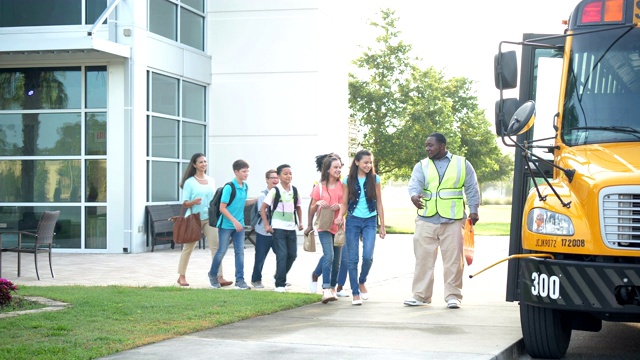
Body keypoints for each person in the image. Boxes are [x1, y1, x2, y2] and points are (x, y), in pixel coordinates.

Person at [405, 132, 480, 309]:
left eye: (430, 145)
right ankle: (421, 296)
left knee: (453, 260)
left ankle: (453, 296)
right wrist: (414, 196)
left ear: (442, 146)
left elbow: (472, 187)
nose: (427, 148)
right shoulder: (421, 165)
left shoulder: (462, 164)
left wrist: (474, 210)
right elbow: (414, 183)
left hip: (453, 221)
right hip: (426, 219)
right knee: (423, 259)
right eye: (426, 145)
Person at [336, 150, 386, 306]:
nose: (368, 165)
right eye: (365, 162)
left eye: (370, 162)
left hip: (370, 221)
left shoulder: (375, 179)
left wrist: (382, 224)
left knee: (368, 257)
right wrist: (340, 216)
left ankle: (362, 280)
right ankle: (355, 293)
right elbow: (344, 202)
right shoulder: (347, 180)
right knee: (353, 259)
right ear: (357, 162)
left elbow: (379, 202)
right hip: (352, 221)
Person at [177, 153, 232, 287]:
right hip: (194, 219)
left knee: (216, 247)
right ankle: (181, 276)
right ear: (194, 165)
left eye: (205, 162)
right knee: (188, 248)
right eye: (200, 162)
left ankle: (219, 276)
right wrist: (193, 202)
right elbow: (184, 203)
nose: (203, 164)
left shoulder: (211, 180)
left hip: (209, 219)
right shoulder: (189, 182)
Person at [207, 159, 254, 290]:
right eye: (244, 171)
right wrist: (234, 221)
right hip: (226, 225)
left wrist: (256, 200)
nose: (246, 174)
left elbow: (242, 203)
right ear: (236, 172)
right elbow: (222, 207)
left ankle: (240, 281)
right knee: (221, 251)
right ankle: (212, 275)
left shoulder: (245, 186)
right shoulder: (229, 187)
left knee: (240, 253)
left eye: (247, 171)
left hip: (240, 226)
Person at [305, 156, 343, 303]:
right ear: (327, 169)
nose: (338, 170)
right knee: (329, 255)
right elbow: (312, 208)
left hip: (339, 226)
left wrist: (340, 206)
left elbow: (346, 204)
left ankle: (332, 287)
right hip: (324, 226)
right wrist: (318, 205)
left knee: (337, 261)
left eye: (340, 167)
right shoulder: (319, 187)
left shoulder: (343, 186)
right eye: (335, 167)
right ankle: (326, 289)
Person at [261, 164, 303, 293]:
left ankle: (279, 275)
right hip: (278, 227)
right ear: (279, 176)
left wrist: (300, 222)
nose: (288, 176)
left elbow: (298, 207)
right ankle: (280, 284)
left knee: (293, 254)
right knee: (282, 254)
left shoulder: (294, 190)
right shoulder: (275, 191)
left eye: (290, 173)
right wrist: (267, 225)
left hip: (291, 227)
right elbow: (263, 208)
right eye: (285, 174)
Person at [250, 169, 279, 288]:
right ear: (267, 180)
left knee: (283, 255)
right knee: (260, 256)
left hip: (278, 231)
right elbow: (264, 212)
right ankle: (256, 279)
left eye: (277, 178)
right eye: (272, 178)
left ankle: (279, 277)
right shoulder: (263, 195)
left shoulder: (281, 193)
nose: (275, 180)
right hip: (263, 231)